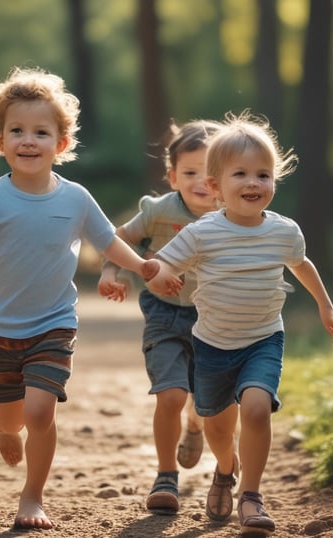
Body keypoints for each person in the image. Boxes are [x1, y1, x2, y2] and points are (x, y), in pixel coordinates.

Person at [0, 66, 179, 531]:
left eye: (40, 132)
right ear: (0, 140)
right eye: (17, 131)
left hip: (54, 323)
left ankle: (32, 496)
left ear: (61, 144)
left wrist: (142, 266)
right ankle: (6, 432)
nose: (28, 140)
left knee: (39, 410)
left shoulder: (76, 198)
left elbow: (107, 241)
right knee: (10, 418)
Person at [146, 111, 333, 535]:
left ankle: (250, 496)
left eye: (264, 175)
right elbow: (162, 262)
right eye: (241, 174)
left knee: (256, 408)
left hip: (263, 339)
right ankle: (224, 469)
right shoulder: (203, 233)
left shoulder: (284, 232)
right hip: (213, 345)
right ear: (216, 186)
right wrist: (159, 273)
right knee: (219, 428)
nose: (254, 183)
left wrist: (326, 308)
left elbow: (302, 265)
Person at [97, 119, 223, 514]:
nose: (201, 182)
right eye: (190, 173)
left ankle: (197, 425)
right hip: (164, 313)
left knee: (205, 402)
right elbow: (117, 239)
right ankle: (166, 474)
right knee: (170, 393)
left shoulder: (236, 215)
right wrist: (110, 271)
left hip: (217, 320)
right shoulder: (158, 212)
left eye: (211, 173)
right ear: (172, 177)